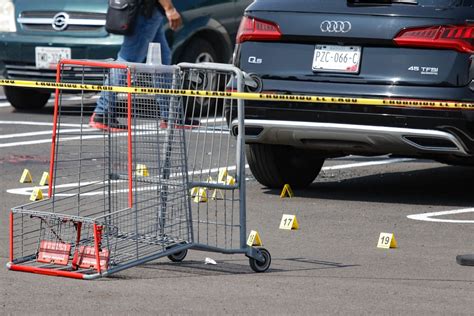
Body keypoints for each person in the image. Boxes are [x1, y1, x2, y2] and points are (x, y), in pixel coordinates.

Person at [89, 0, 182, 131]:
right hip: (145, 11)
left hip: (150, 11)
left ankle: (171, 117)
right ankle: (101, 113)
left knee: (162, 59)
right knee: (127, 61)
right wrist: (170, 8)